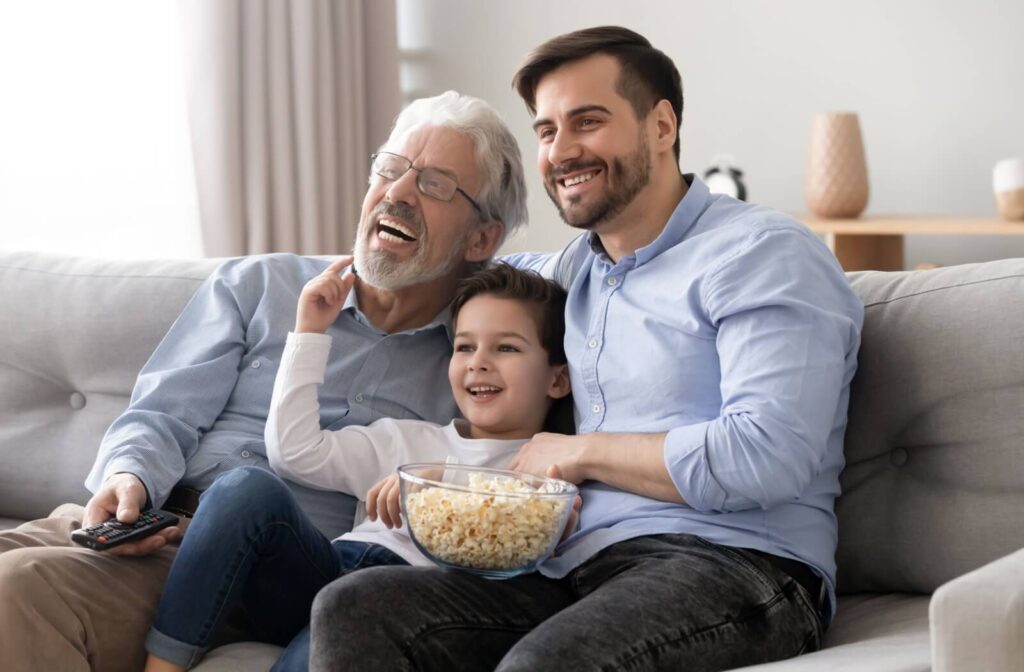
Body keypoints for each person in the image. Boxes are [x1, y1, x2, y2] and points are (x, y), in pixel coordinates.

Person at [306, 26, 865, 672]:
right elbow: (462, 278)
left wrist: (579, 452)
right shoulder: (572, 272)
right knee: (354, 606)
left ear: (661, 125)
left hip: (741, 567)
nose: (561, 151)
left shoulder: (762, 254)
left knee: (544, 665)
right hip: (577, 566)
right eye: (546, 132)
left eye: (587, 122)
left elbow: (766, 455)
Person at [0, 90, 527, 672]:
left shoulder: (475, 366)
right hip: (135, 521)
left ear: (481, 240)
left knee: (14, 591)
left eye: (434, 185)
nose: (397, 193)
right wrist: (129, 478)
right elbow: (161, 412)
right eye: (391, 168)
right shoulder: (261, 283)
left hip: (237, 573)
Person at [141, 262, 574, 672]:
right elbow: (295, 452)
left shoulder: (551, 468)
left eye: (507, 347)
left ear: (557, 379)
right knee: (244, 488)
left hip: (392, 608)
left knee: (349, 613)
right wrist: (310, 332)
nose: (478, 361)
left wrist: (443, 485)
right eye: (464, 346)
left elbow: (529, 540)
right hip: (323, 571)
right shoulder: (412, 439)